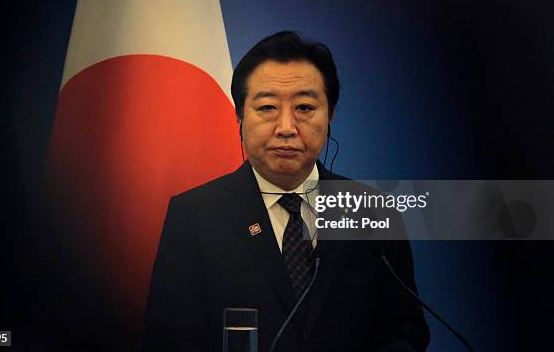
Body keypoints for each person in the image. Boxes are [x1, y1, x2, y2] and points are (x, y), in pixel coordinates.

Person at [143, 31, 429, 351]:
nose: (286, 128)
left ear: (331, 114)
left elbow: (405, 330)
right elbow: (169, 339)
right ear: (239, 115)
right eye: (267, 108)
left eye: (305, 107)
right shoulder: (195, 216)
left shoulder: (373, 211)